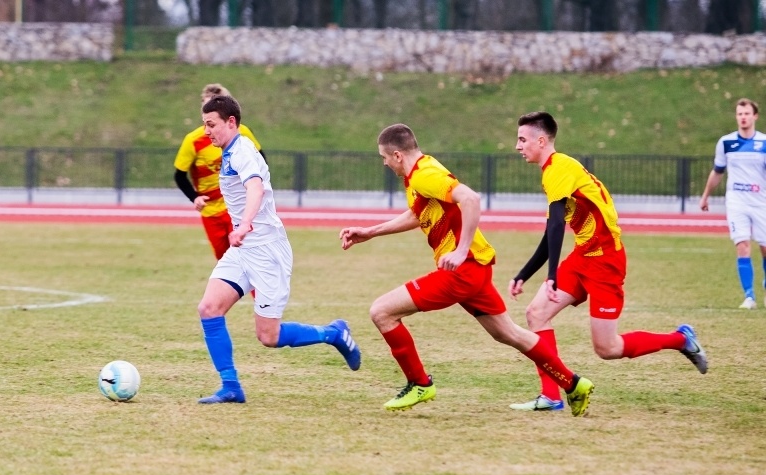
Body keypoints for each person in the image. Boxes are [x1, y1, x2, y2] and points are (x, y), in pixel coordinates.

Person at [339, 123, 594, 416]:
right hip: (474, 269)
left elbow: (470, 199)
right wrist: (370, 232)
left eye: (384, 157)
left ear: (397, 155)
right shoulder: (421, 172)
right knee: (510, 334)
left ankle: (419, 384)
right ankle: (573, 383)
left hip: (462, 271)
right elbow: (417, 214)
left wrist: (460, 251)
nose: (384, 163)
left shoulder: (425, 175)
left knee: (382, 312)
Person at [508, 111, 708, 412]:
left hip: (606, 261)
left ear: (540, 140)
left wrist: (550, 276)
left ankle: (680, 339)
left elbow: (556, 227)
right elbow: (553, 227)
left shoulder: (559, 167)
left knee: (607, 348)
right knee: (536, 313)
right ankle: (550, 396)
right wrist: (525, 273)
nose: (517, 146)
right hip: (582, 257)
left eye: (522, 139)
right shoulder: (552, 171)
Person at [195, 94, 361, 404]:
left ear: (231, 122)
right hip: (244, 250)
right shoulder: (231, 151)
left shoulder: (243, 150)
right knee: (209, 309)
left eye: (211, 125)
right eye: (204, 125)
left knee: (268, 337)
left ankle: (334, 333)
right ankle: (231, 387)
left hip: (266, 250)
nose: (206, 131)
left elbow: (255, 187)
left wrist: (244, 225)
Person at [174, 83, 268, 261]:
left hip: (237, 208)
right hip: (212, 212)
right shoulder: (193, 140)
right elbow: (179, 175)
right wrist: (194, 197)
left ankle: (260, 289)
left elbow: (260, 162)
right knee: (227, 262)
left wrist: (255, 191)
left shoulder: (242, 133)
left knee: (252, 259)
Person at [699, 98, 766, 310]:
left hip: (761, 202)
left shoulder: (764, 143)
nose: (743, 117)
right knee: (743, 246)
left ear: (755, 116)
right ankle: (749, 296)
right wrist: (706, 195)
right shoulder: (726, 143)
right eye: (739, 114)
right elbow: (718, 172)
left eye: (746, 113)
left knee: (764, 248)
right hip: (737, 202)